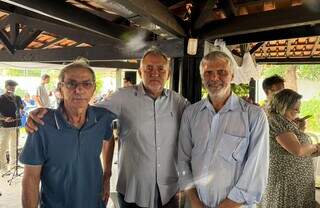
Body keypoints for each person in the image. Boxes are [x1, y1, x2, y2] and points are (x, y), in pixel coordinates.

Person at [26, 48, 190, 208]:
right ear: (140, 73)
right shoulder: (122, 96)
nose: (155, 73)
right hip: (134, 190)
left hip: (169, 190)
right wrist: (39, 114)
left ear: (168, 74)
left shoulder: (179, 103)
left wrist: (107, 174)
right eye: (149, 68)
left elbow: (198, 125)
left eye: (161, 69)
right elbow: (87, 108)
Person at [178, 51, 269, 208]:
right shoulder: (191, 113)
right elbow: (183, 160)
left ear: (232, 76)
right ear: (202, 77)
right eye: (208, 73)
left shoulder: (253, 116)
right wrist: (195, 202)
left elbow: (256, 171)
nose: (214, 78)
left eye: (222, 72)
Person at [20, 59, 115, 208]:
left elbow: (109, 138)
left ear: (93, 89)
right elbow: (31, 179)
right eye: (71, 84)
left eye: (86, 84)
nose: (79, 90)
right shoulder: (41, 124)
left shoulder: (102, 118)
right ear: (60, 89)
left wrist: (107, 175)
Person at [260, 89, 320, 208]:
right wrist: (315, 147)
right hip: (286, 182)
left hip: (295, 182)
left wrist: (300, 130)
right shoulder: (277, 120)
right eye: (295, 109)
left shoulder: (286, 122)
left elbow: (297, 148)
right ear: (284, 106)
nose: (298, 112)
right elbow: (297, 150)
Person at [0, 80, 24, 171]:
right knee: (2, 147)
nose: (13, 88)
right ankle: (3, 168)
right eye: (11, 86)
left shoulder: (17, 97)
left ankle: (13, 166)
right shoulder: (1, 98)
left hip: (16, 125)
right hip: (4, 126)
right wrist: (4, 118)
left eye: (14, 86)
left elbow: (21, 107)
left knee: (14, 147)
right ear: (6, 87)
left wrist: (21, 109)